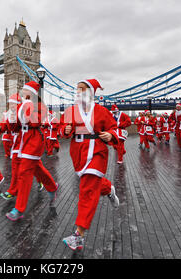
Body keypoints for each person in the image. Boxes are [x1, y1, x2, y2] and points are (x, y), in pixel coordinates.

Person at [60, 79, 120, 252]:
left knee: (87, 191)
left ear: (90, 92)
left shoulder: (101, 111)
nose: (78, 91)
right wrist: (65, 130)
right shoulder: (71, 110)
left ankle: (78, 235)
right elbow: (62, 128)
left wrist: (110, 134)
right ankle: (108, 189)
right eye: (77, 89)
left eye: (82, 89)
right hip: (78, 153)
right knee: (92, 184)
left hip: (97, 152)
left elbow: (114, 127)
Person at [5, 81, 59, 221]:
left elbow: (34, 122)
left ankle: (19, 208)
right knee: (37, 169)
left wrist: (25, 106)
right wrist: (11, 118)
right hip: (22, 139)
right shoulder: (21, 105)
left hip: (34, 140)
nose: (22, 92)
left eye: (25, 90)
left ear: (33, 93)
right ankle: (52, 187)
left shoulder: (40, 106)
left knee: (24, 172)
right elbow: (14, 127)